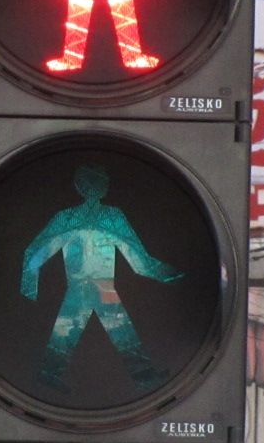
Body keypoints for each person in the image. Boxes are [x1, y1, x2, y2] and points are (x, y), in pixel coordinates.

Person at [20, 164, 181, 391]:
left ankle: (143, 377)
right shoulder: (106, 217)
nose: (98, 188)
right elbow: (138, 257)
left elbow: (36, 250)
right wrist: (167, 274)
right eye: (96, 183)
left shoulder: (72, 217)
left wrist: (29, 287)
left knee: (86, 331)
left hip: (91, 285)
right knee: (113, 331)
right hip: (92, 285)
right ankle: (144, 377)